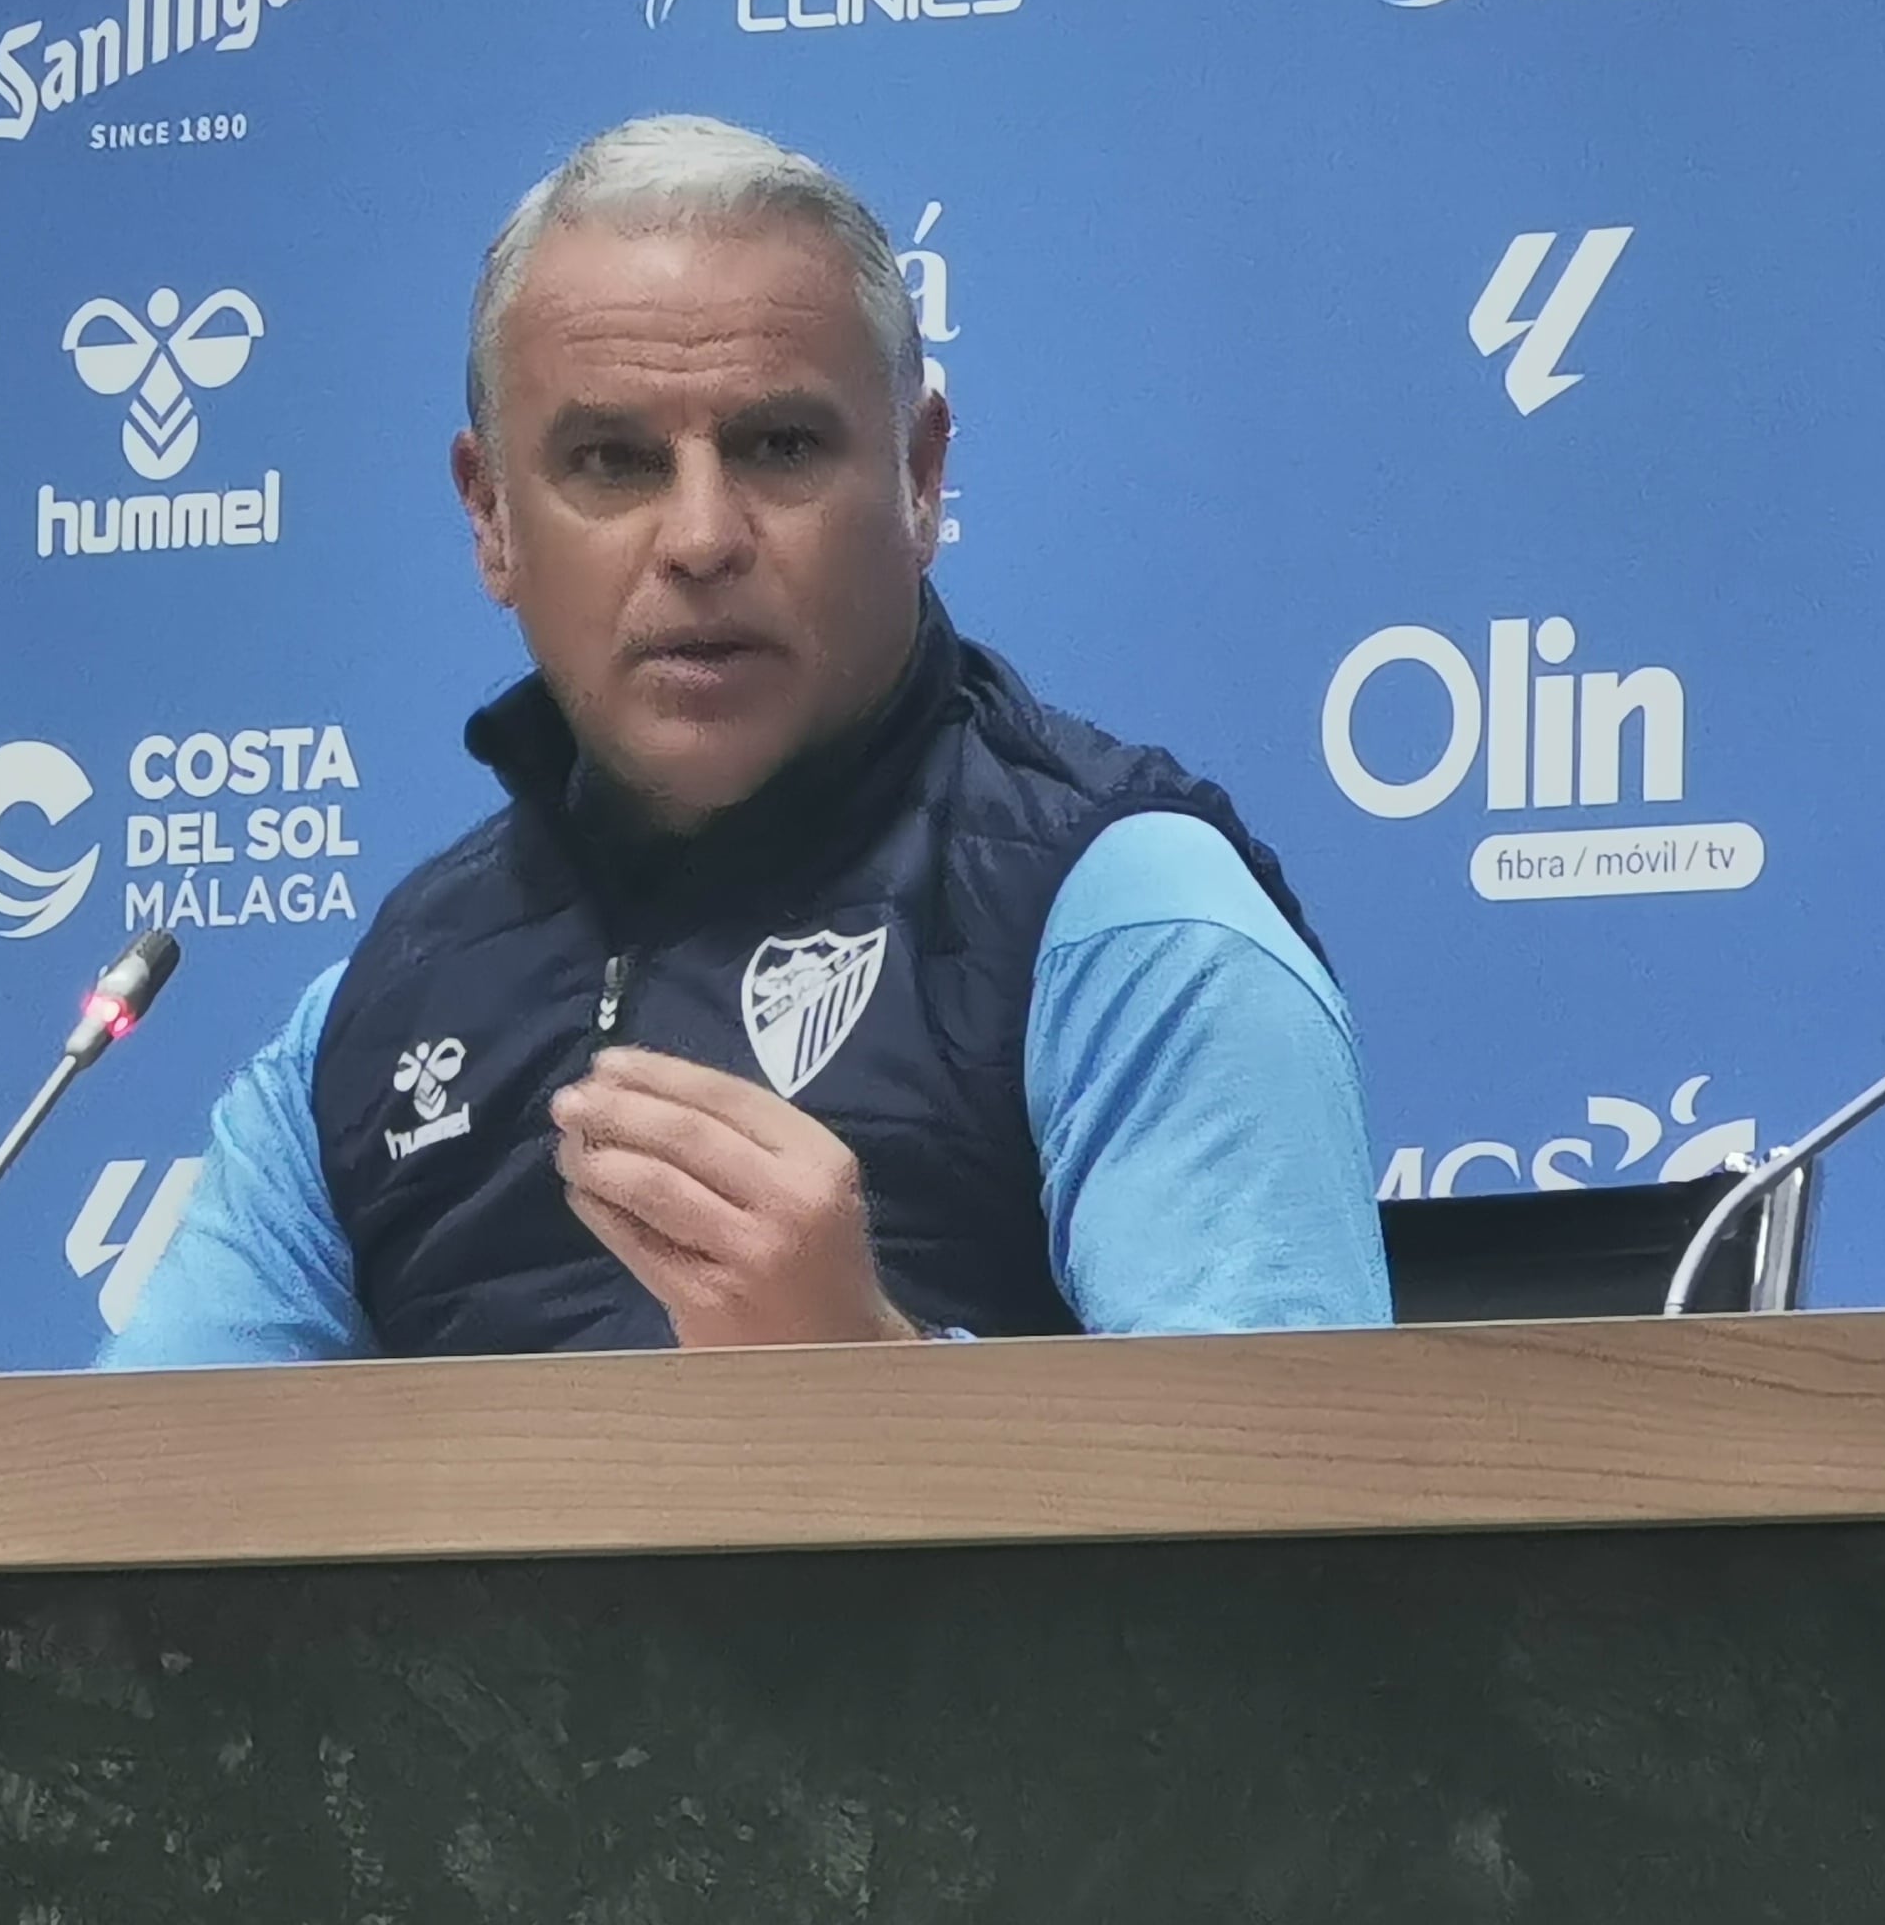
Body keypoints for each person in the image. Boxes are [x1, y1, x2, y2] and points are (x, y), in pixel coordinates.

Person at [100, 115, 1387, 1363]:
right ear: (491, 517)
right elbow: (124, 1513)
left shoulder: (1128, 920)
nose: (704, 538)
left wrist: (871, 1384)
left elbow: (1299, 1527)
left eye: (780, 446)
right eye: (613, 461)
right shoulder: (372, 1015)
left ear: (922, 476)